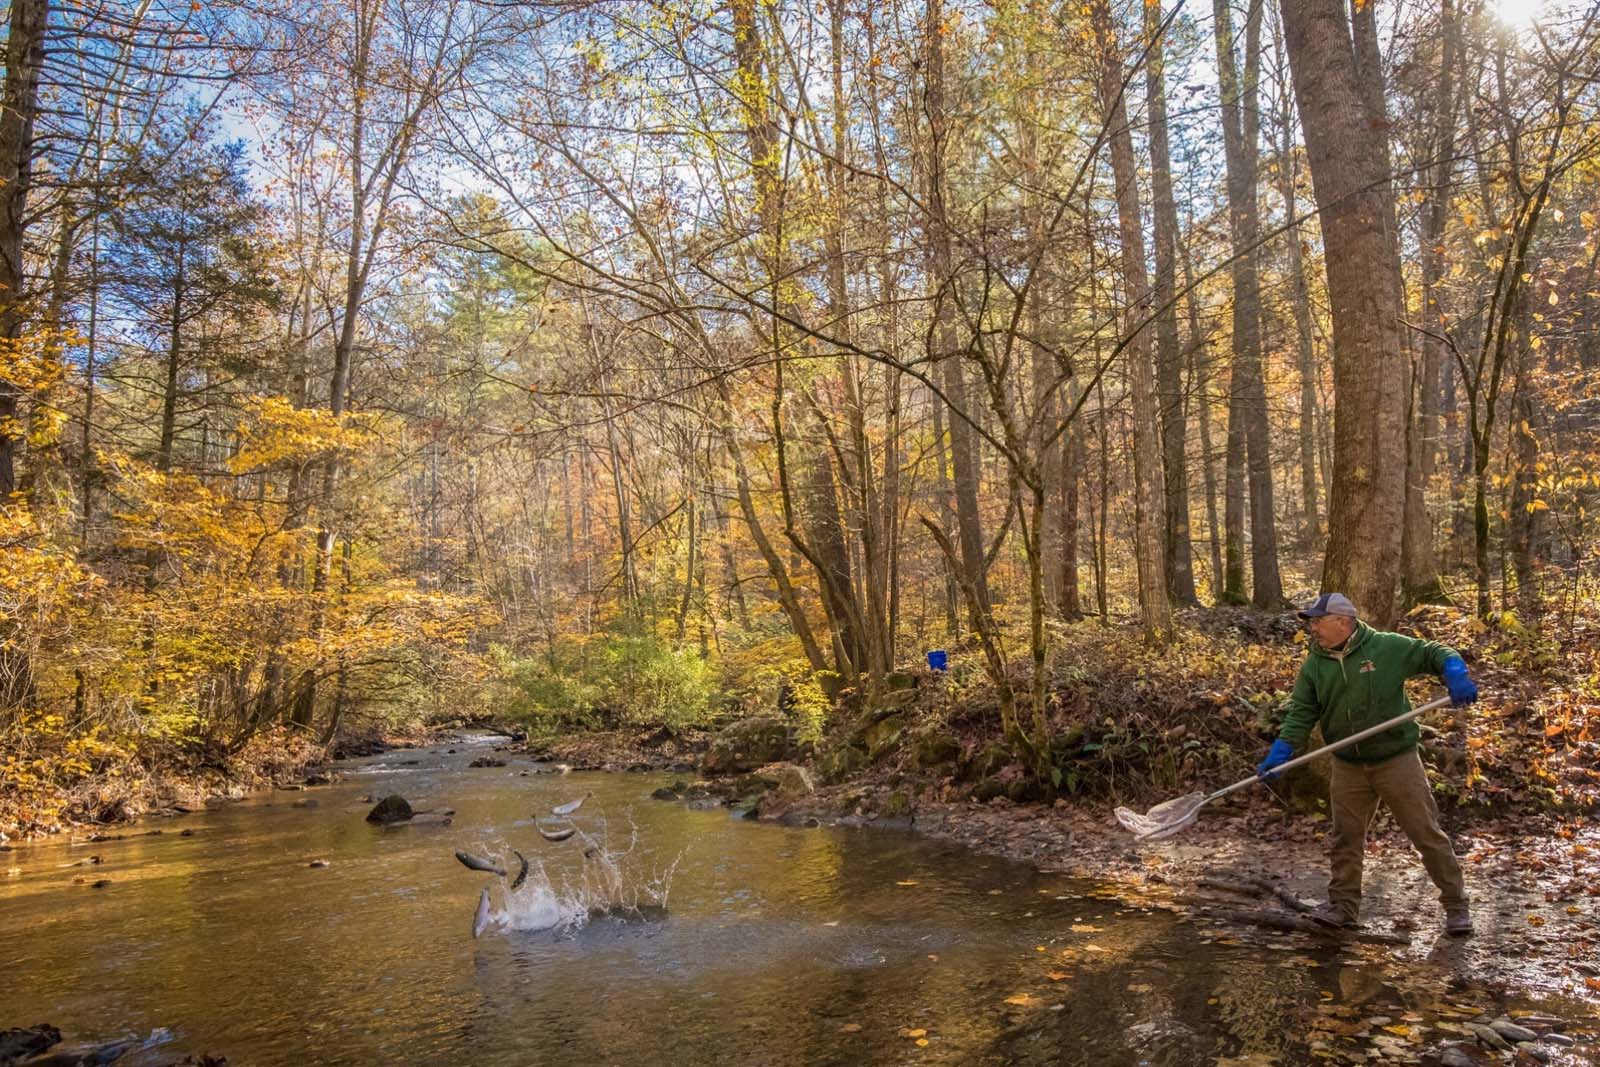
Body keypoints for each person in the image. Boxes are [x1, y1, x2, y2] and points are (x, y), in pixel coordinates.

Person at [1255, 592, 1479, 936]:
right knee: (1345, 837)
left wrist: (1453, 669)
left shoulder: (1386, 648)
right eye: (1311, 622)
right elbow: (1301, 712)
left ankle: (1456, 906)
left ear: (1344, 621)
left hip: (1396, 759)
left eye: (1318, 621)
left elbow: (1435, 652)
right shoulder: (1315, 664)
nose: (1313, 628)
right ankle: (1343, 908)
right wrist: (1282, 749)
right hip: (1348, 765)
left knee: (1425, 833)